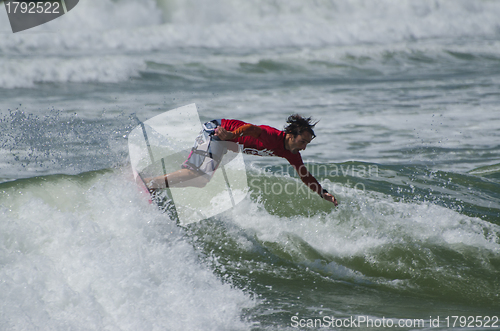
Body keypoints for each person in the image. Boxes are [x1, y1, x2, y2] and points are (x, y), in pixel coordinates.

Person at [146, 114, 338, 206]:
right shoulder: (272, 136)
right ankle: (150, 184)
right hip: (217, 131)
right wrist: (230, 135)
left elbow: (304, 175)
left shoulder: (291, 153)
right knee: (199, 176)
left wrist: (323, 193)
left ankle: (153, 184)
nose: (303, 147)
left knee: (199, 179)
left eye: (306, 144)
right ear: (290, 135)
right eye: (302, 141)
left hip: (223, 142)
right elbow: (251, 129)